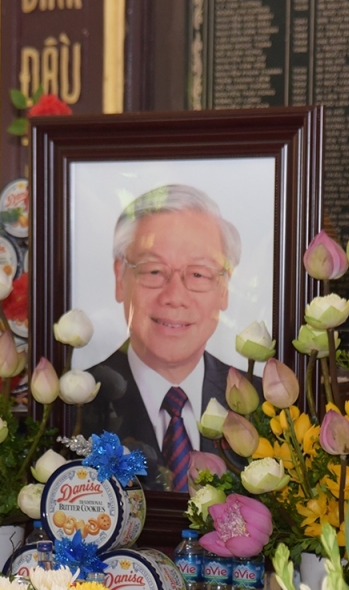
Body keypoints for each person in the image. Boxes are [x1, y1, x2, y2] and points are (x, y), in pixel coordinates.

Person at [79, 184, 250, 491]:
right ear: (120, 278)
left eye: (198, 274)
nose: (174, 297)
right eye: (154, 271)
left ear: (224, 288)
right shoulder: (77, 403)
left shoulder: (263, 406)